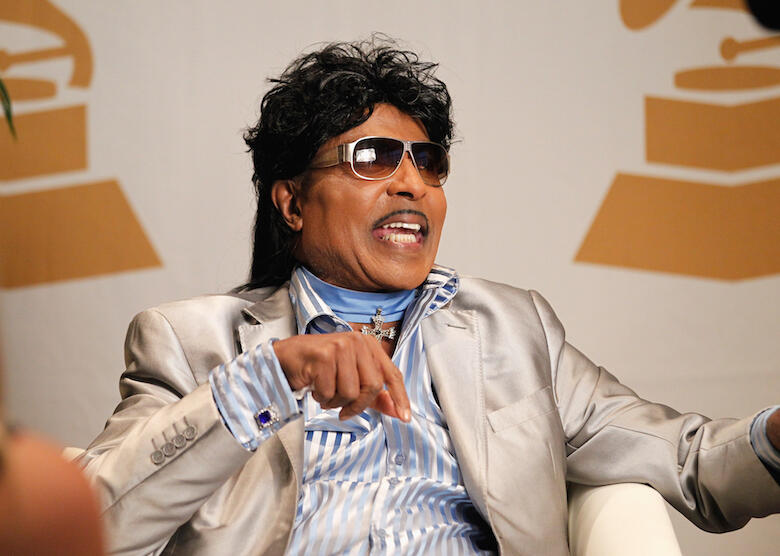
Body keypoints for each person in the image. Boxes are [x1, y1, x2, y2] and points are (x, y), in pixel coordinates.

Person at [79, 38, 780, 555]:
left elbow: (690, 463)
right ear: (291, 202)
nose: (412, 183)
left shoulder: (512, 330)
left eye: (429, 162)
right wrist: (271, 377)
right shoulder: (191, 343)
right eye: (373, 158)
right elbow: (90, 530)